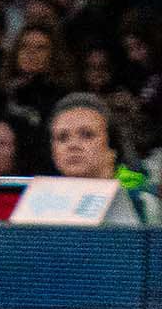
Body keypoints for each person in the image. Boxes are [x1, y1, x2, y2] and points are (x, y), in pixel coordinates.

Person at [48, 92, 160, 225]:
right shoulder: (38, 205)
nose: (73, 145)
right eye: (62, 138)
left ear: (113, 148)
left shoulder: (145, 204)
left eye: (87, 135)